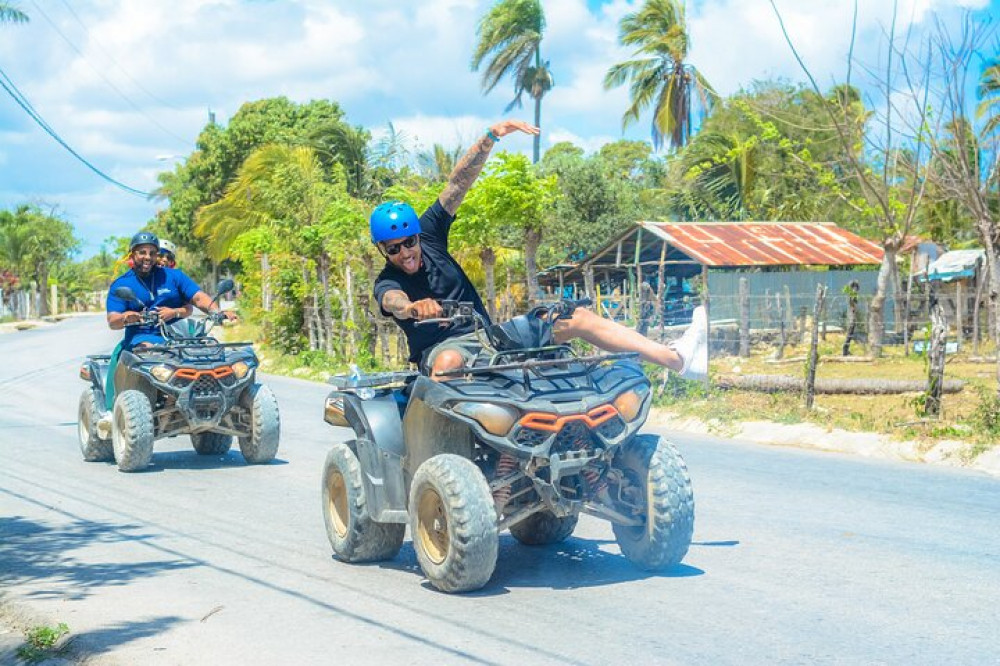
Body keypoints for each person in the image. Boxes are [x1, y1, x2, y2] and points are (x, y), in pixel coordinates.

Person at [372, 120, 709, 381]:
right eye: (395, 248)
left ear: (418, 236)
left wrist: (490, 136)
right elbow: (393, 304)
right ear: (384, 251)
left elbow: (458, 184)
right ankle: (453, 454)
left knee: (574, 318)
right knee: (448, 364)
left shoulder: (430, 235)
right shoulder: (388, 283)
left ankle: (677, 360)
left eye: (410, 242)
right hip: (440, 349)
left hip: (490, 338)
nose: (406, 253)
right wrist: (414, 307)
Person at [106, 231, 234, 350]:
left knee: (212, 352)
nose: (148, 257)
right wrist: (125, 317)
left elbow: (198, 298)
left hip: (181, 337)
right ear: (132, 254)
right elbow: (113, 321)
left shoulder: (174, 276)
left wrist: (217, 313)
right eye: (142, 252)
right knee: (147, 351)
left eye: (152, 253)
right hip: (143, 338)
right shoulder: (121, 284)